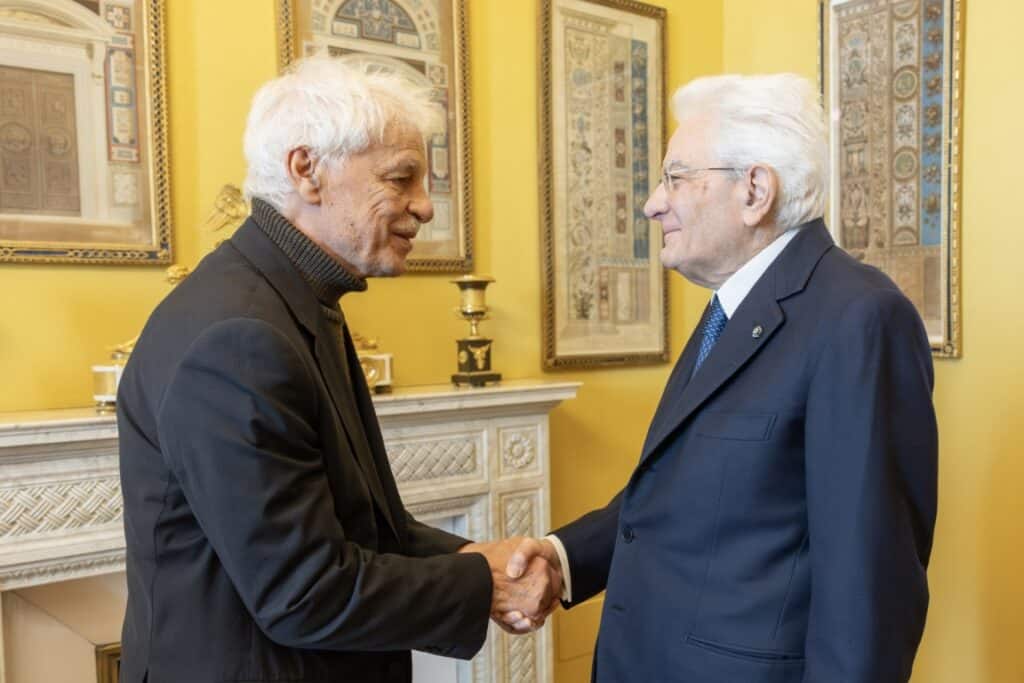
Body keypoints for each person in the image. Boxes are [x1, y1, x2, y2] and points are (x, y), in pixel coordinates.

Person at [116, 56, 560, 683]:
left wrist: (475, 554)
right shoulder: (238, 338)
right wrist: (484, 583)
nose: (424, 207)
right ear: (307, 171)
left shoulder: (290, 300)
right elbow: (302, 590)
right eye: (401, 178)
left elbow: (364, 526)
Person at [506, 73, 938, 682]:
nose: (653, 203)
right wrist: (562, 558)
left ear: (755, 190)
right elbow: (689, 492)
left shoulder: (860, 317)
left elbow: (870, 592)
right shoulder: (733, 308)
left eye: (676, 178)